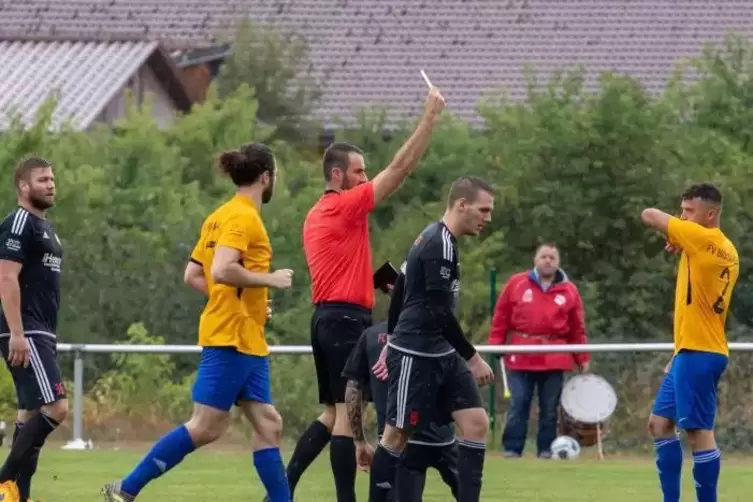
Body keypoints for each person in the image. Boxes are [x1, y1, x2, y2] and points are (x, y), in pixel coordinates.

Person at [102, 143, 294, 502]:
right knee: (206, 426)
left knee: (269, 424)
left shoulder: (219, 215)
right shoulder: (243, 218)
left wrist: (245, 303)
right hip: (231, 337)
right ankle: (126, 491)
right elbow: (221, 270)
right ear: (266, 177)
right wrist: (269, 280)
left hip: (245, 335)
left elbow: (193, 274)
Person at [286, 84, 446, 501]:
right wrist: (428, 119)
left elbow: (339, 268)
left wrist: (380, 282)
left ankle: (280, 489)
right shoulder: (342, 205)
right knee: (345, 415)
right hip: (343, 319)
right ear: (337, 175)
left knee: (329, 413)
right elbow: (399, 170)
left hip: (327, 315)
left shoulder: (316, 215)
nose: (364, 179)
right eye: (358, 172)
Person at [369, 176, 496, 502]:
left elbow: (399, 291)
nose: (488, 218)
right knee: (397, 435)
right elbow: (439, 313)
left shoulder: (441, 239)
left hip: (441, 352)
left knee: (476, 422)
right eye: (483, 210)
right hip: (416, 353)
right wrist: (473, 357)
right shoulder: (436, 243)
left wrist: (389, 339)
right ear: (461, 205)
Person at [641, 183, 739, 502]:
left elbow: (649, 215)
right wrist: (679, 236)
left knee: (699, 433)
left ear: (711, 214)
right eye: (681, 211)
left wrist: (674, 230)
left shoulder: (700, 238)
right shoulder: (724, 247)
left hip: (700, 352)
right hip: (692, 350)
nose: (682, 217)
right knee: (660, 424)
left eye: (689, 211)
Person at [342, 271, 459, 502]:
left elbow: (353, 390)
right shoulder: (440, 335)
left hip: (397, 438)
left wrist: (359, 440)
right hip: (442, 436)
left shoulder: (371, 336)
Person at [0, 157, 67, 502]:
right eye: (42, 180)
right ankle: (3, 481)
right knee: (56, 407)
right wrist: (17, 333)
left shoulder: (47, 227)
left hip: (42, 332)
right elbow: (6, 276)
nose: (51, 184)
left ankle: (18, 497)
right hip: (27, 332)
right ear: (24, 187)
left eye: (52, 179)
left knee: (28, 416)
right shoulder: (19, 223)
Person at [488, 243, 591, 459]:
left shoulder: (569, 290)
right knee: (519, 402)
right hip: (521, 354)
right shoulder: (517, 284)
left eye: (552, 258)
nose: (547, 261)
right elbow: (501, 316)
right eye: (543, 256)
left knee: (549, 407)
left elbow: (577, 327)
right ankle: (512, 449)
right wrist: (496, 343)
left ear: (558, 262)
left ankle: (546, 449)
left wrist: (582, 357)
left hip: (554, 356)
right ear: (535, 260)